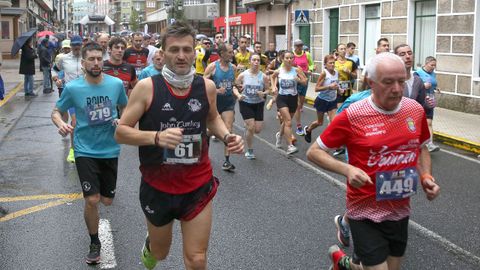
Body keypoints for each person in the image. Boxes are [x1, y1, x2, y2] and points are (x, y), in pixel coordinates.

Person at [114, 21, 243, 270]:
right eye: (174, 50)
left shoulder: (206, 87)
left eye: (187, 49)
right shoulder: (147, 88)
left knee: (197, 258)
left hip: (197, 183)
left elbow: (212, 118)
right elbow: (121, 132)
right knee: (161, 253)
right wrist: (155, 138)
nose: (181, 55)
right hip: (158, 185)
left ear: (196, 52)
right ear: (162, 53)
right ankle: (151, 245)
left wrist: (227, 136)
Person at [306, 52, 440, 270]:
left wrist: (426, 176)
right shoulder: (353, 114)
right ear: (371, 83)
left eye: (401, 80)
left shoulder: (414, 110)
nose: (397, 88)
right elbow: (314, 152)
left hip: (400, 210)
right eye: (388, 82)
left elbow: (422, 147)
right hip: (364, 210)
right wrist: (347, 169)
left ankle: (344, 263)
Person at [51, 42, 128, 265]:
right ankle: (95, 242)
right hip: (85, 149)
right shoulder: (73, 88)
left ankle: (98, 216)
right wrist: (61, 124)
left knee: (107, 200)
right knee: (92, 199)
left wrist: (123, 120)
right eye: (91, 59)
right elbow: (57, 111)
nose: (96, 63)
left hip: (110, 148)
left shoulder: (115, 85)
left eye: (98, 59)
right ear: (83, 63)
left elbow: (125, 107)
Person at [204, 43, 238, 171]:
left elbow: (233, 83)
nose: (232, 54)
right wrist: (216, 91)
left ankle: (227, 161)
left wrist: (238, 88)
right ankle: (205, 152)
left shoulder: (233, 68)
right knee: (210, 131)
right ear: (222, 53)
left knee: (228, 130)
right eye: (229, 52)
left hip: (229, 102)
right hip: (215, 103)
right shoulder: (212, 67)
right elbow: (203, 83)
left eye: (232, 52)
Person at [52, 35, 84, 163]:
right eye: (74, 45)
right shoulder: (63, 59)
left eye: (78, 45)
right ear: (71, 46)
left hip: (86, 94)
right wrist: (57, 79)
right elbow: (54, 70)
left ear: (82, 45)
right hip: (70, 94)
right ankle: (73, 150)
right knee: (75, 122)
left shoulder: (86, 58)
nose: (76, 47)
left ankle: (86, 147)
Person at [234, 53, 270, 159]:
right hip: (246, 103)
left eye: (258, 60)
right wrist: (238, 95)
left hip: (258, 104)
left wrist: (263, 93)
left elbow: (268, 89)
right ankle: (249, 150)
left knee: (257, 130)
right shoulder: (243, 75)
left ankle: (248, 128)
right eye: (254, 60)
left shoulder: (263, 76)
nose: (256, 62)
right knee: (251, 127)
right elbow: (235, 87)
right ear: (250, 62)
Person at [271, 50, 307, 154]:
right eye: (287, 58)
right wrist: (273, 86)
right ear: (282, 59)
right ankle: (290, 146)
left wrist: (299, 80)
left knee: (287, 122)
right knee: (288, 122)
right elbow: (272, 77)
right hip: (282, 98)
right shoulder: (279, 71)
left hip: (293, 98)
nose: (289, 60)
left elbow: (305, 82)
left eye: (291, 58)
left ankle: (279, 135)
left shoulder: (297, 70)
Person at [303, 54, 338, 143]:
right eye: (330, 63)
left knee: (334, 122)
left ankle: (330, 142)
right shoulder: (324, 73)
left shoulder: (337, 72)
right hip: (322, 100)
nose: (333, 65)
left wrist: (340, 89)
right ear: (325, 65)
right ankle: (308, 130)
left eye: (334, 63)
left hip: (332, 100)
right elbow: (316, 88)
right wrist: (329, 87)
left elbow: (337, 84)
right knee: (320, 122)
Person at [415, 56, 440, 152]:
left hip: (430, 100)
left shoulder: (433, 74)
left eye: (435, 65)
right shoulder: (418, 73)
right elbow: (414, 86)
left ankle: (430, 144)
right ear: (426, 63)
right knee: (419, 122)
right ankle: (415, 141)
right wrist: (423, 85)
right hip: (420, 100)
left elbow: (433, 84)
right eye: (432, 65)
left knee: (429, 122)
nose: (433, 67)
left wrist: (436, 89)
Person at [292, 39, 315, 136]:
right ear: (294, 46)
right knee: (297, 105)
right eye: (297, 45)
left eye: (300, 45)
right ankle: (299, 125)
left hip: (304, 81)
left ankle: (295, 110)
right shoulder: (291, 55)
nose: (299, 47)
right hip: (295, 81)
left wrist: (310, 69)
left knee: (301, 103)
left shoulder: (307, 54)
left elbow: (312, 64)